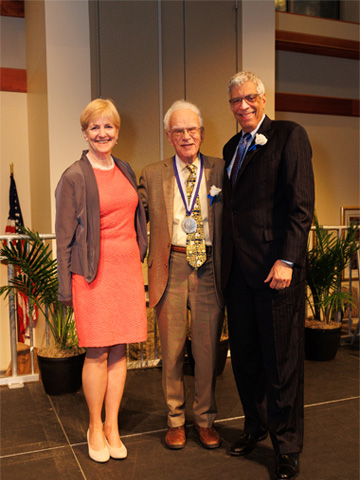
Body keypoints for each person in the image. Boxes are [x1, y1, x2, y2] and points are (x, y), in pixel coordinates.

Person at [222, 72, 314, 480]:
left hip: (276, 271)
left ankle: (287, 446)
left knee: (282, 362)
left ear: (263, 98)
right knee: (244, 358)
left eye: (249, 98)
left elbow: (300, 206)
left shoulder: (289, 136)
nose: (242, 105)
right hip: (237, 275)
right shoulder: (229, 147)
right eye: (235, 100)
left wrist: (288, 261)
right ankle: (255, 426)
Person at [55, 98, 148, 463]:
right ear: (84, 132)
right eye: (94, 127)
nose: (102, 133)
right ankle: (94, 426)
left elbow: (135, 214)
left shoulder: (124, 167)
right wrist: (66, 289)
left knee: (120, 348)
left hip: (126, 271)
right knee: (97, 350)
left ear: (117, 131)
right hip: (92, 274)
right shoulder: (74, 176)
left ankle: (113, 426)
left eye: (108, 126)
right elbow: (63, 239)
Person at [138, 100, 224, 450]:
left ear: (201, 133)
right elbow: (131, 217)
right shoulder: (152, 173)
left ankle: (205, 420)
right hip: (171, 265)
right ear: (169, 137)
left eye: (192, 129)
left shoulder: (221, 170)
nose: (186, 136)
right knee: (171, 351)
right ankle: (175, 420)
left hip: (209, 267)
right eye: (178, 131)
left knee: (206, 352)